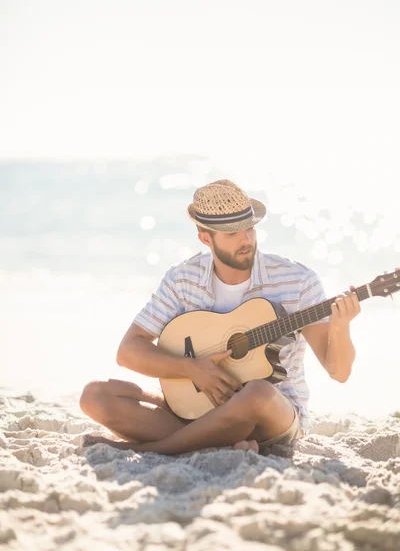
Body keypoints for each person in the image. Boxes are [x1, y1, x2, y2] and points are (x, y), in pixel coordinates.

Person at [79, 179, 360, 454]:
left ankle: (161, 448)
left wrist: (341, 326)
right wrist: (191, 369)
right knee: (95, 396)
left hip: (270, 415)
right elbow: (128, 351)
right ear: (205, 238)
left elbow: (339, 372)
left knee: (257, 393)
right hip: (195, 409)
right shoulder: (182, 279)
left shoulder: (297, 280)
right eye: (232, 233)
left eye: (249, 228)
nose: (246, 239)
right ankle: (217, 442)